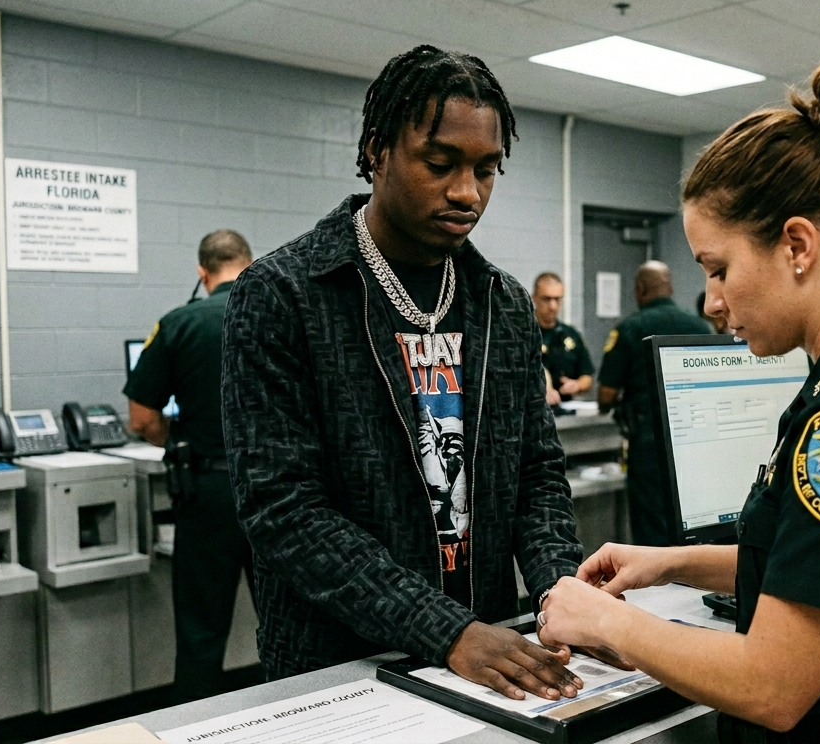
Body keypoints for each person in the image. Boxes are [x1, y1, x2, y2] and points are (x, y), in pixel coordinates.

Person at [538, 58, 820, 743]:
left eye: (720, 269)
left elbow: (773, 685)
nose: (712, 303)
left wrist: (608, 621)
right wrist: (669, 562)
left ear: (797, 245)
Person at [221, 45, 586, 704]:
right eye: (440, 164)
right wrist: (445, 630)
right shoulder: (284, 293)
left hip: (486, 649)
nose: (467, 192)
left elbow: (536, 473)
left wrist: (562, 595)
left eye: (486, 170)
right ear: (377, 152)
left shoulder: (502, 302)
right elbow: (283, 510)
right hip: (343, 666)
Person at [125, 229, 256, 702]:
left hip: (208, 492)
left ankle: (196, 726)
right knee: (287, 623)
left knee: (202, 631)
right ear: (250, 263)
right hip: (279, 492)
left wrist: (179, 438)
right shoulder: (281, 313)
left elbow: (141, 419)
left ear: (202, 273)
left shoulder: (178, 323)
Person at [596, 261, 713, 546]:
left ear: (640, 289)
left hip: (648, 445)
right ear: (670, 287)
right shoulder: (700, 326)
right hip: (695, 441)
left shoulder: (630, 328)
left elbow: (606, 395)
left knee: (652, 530)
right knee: (693, 522)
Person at [532, 272, 594, 407]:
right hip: (532, 409)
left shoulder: (571, 334)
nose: (553, 306)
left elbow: (587, 376)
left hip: (565, 407)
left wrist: (577, 385)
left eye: (557, 299)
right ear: (534, 298)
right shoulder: (523, 333)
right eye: (546, 299)